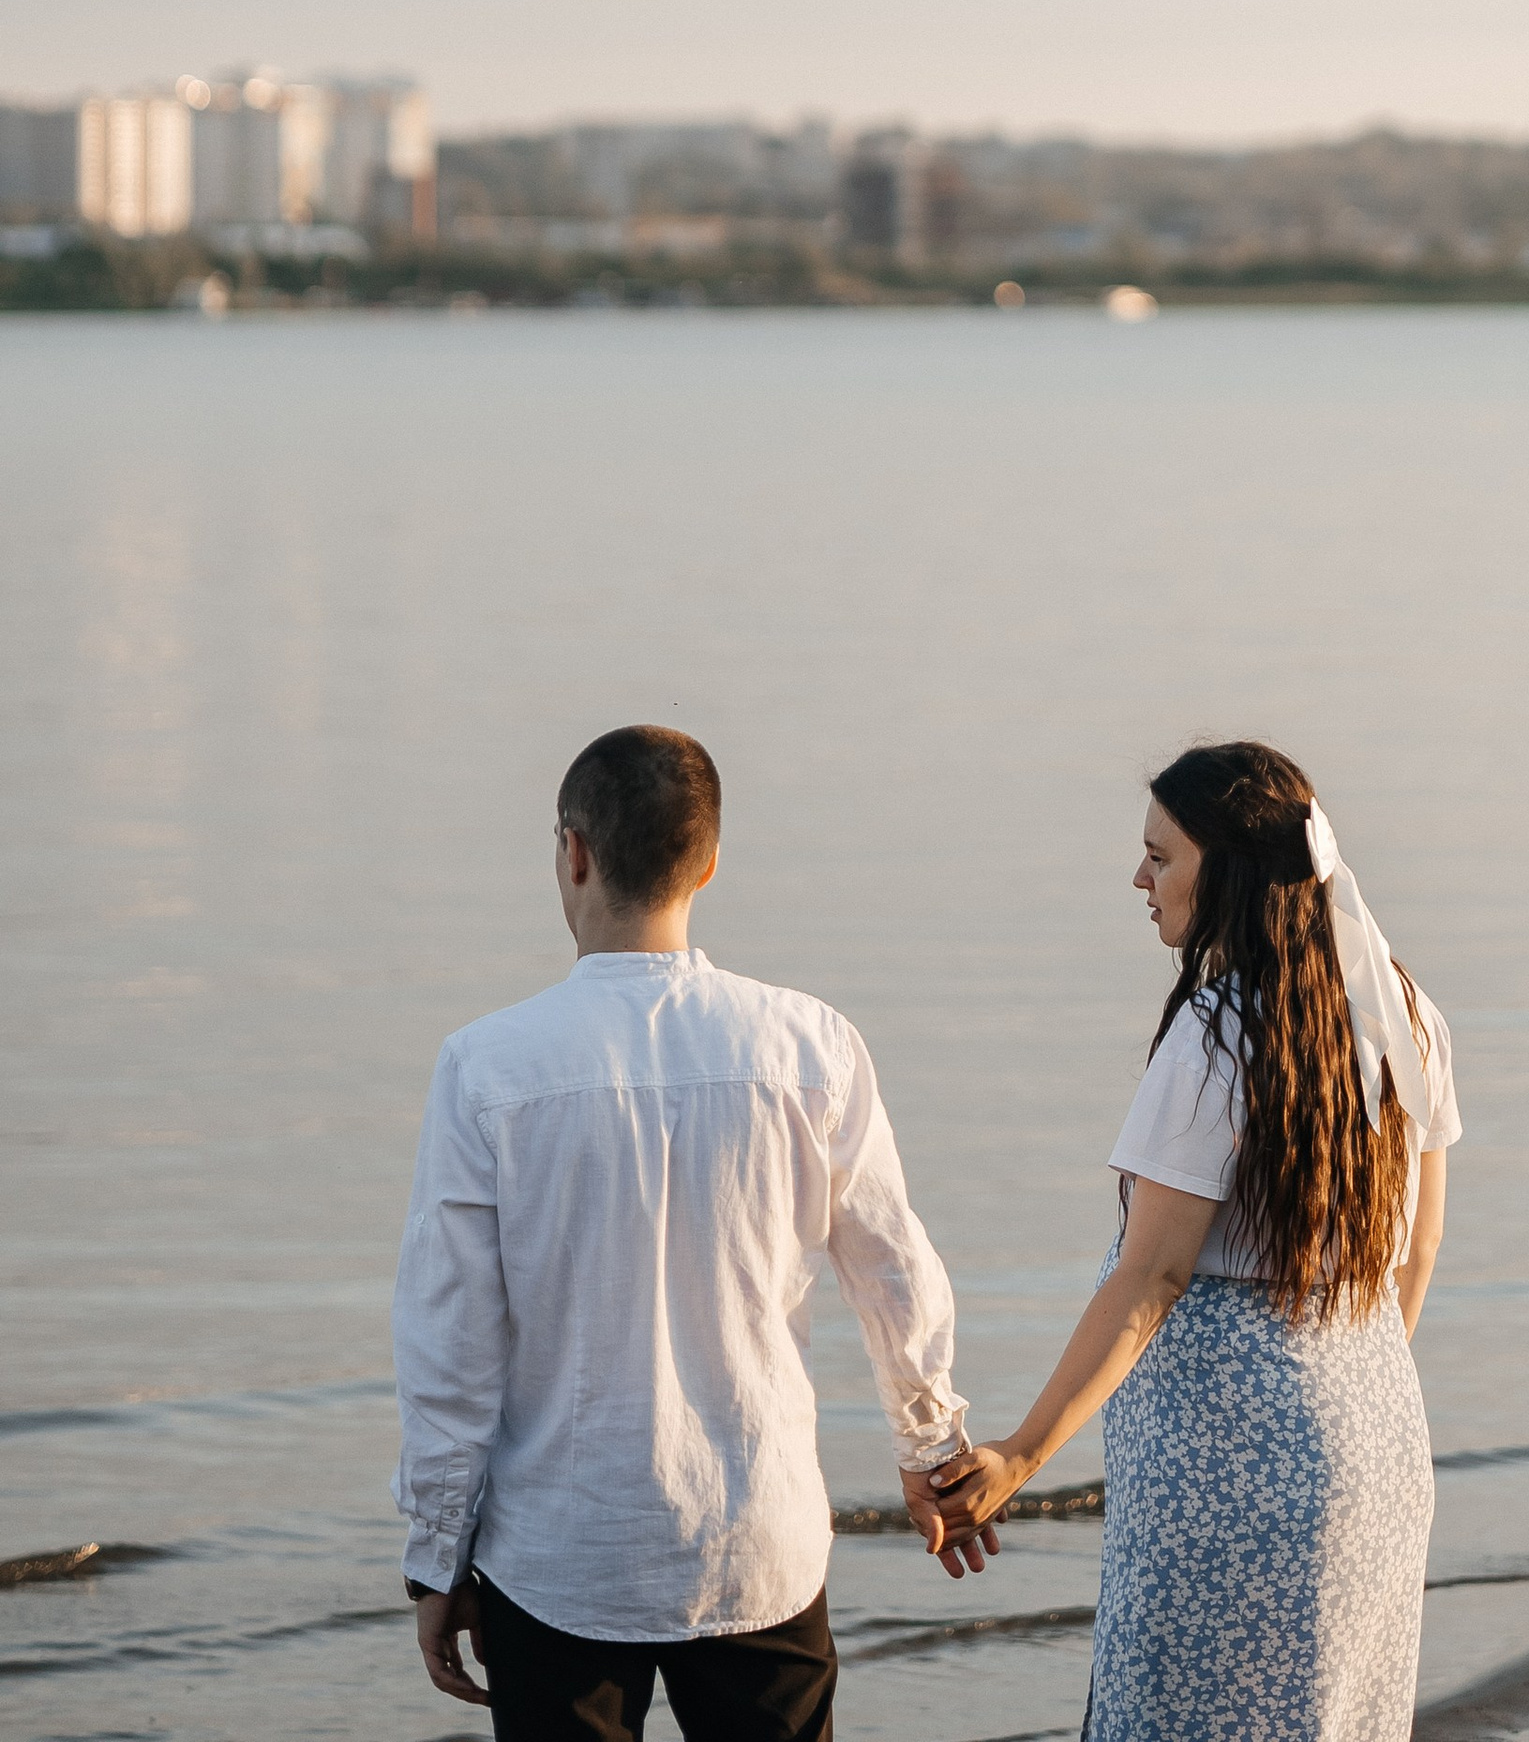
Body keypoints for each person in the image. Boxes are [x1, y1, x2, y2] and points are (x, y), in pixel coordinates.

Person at [392, 724, 992, 1734]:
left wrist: (435, 1557)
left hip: (559, 1555)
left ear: (573, 852)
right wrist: (930, 1444)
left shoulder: (486, 1068)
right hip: (759, 1537)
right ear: (708, 862)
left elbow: (450, 1340)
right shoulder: (811, 1045)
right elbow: (893, 1270)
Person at [929, 738, 1461, 1742]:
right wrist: (1340, 1404)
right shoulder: (1409, 1018)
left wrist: (1020, 1455)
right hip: (1376, 1444)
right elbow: (1418, 1252)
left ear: (1231, 871)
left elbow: (1152, 1276)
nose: (1140, 878)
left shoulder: (1219, 1034)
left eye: (1161, 857)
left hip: (1227, 1481)